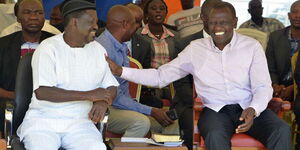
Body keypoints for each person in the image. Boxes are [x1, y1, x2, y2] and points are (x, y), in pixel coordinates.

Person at [107, 2, 292, 150]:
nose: (217, 27)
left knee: (281, 130)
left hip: (249, 107)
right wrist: (121, 71)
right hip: (216, 111)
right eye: (213, 22)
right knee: (214, 135)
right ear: (206, 23)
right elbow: (160, 76)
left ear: (235, 22)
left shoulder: (251, 47)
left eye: (223, 22)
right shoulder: (196, 49)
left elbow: (262, 87)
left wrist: (254, 109)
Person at [17, 0, 118, 149]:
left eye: (96, 22)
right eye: (91, 22)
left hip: (81, 124)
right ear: (74, 22)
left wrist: (103, 101)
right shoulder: (48, 48)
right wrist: (91, 95)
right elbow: (43, 92)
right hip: (44, 123)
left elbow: (111, 86)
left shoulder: (98, 49)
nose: (96, 27)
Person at [96, 5, 178, 138]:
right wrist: (150, 110)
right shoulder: (104, 48)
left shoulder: (120, 45)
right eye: (137, 23)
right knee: (141, 122)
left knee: (171, 124)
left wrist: (148, 110)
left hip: (123, 106)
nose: (139, 28)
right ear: (125, 24)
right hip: (105, 108)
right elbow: (115, 96)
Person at [0, 0, 54, 137]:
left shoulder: (56, 44)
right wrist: (15, 96)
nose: (33, 17)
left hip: (50, 104)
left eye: (38, 13)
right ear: (17, 17)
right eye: (27, 12)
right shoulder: (3, 45)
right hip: (10, 104)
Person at [273, 1, 300, 149]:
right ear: (289, 15)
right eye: (295, 12)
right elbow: (268, 67)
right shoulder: (275, 37)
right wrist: (275, 85)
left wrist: (293, 88)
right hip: (276, 88)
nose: (298, 16)